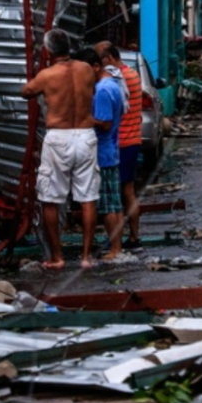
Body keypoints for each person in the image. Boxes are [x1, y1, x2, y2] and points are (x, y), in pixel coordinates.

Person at [20, 30, 99, 271]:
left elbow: (26, 92)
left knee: (50, 199)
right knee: (87, 198)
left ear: (48, 51)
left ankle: (57, 257)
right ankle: (86, 257)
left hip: (59, 137)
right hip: (86, 136)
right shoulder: (86, 69)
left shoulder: (47, 75)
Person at [75, 48, 127, 263]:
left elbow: (104, 124)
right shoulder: (112, 85)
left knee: (107, 205)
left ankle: (115, 248)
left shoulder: (104, 90)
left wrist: (83, 117)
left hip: (103, 151)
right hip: (109, 150)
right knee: (113, 203)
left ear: (96, 67)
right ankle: (116, 245)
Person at [95, 41, 145, 250]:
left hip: (121, 141)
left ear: (109, 59)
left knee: (118, 194)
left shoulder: (116, 80)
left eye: (100, 60)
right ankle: (132, 236)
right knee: (128, 191)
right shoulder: (132, 75)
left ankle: (122, 239)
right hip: (132, 139)